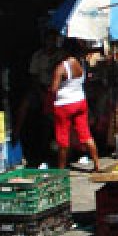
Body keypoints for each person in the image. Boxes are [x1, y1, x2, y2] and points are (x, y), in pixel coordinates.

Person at [48, 39, 101, 172]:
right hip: (80, 102)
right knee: (86, 135)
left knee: (63, 139)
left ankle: (61, 169)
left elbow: (53, 89)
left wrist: (50, 102)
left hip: (64, 105)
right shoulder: (82, 63)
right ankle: (96, 164)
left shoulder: (62, 67)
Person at [17, 29, 62, 166]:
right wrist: (42, 93)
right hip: (41, 88)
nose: (51, 43)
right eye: (49, 39)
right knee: (25, 105)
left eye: (53, 40)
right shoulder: (38, 56)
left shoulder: (61, 56)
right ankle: (15, 137)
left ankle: (53, 150)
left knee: (52, 119)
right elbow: (34, 78)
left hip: (57, 90)